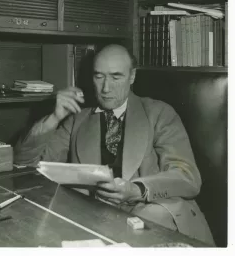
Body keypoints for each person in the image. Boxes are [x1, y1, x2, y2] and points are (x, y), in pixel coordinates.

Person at [14, 44, 214, 246]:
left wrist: (137, 190)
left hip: (154, 219)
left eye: (116, 77)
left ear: (132, 76)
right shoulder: (78, 119)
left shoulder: (159, 113)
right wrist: (54, 118)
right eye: (99, 76)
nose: (106, 88)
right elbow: (25, 164)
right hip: (95, 223)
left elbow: (187, 177)